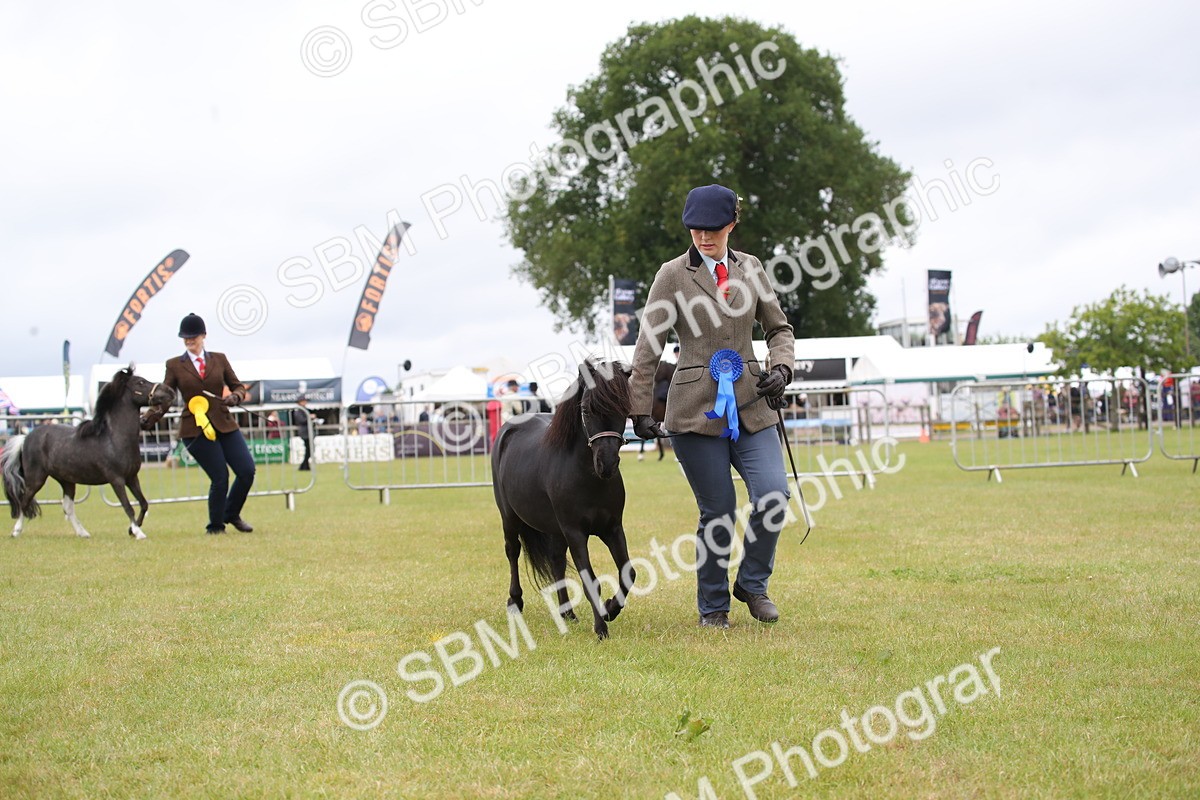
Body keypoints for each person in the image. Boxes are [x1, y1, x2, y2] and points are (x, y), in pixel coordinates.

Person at [629, 183, 794, 629]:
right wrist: (639, 407)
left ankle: (753, 585)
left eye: (713, 230)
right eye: (696, 230)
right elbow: (649, 344)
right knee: (718, 509)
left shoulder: (752, 268)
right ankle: (713, 608)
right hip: (692, 410)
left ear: (732, 225)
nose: (704, 238)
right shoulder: (672, 275)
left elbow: (779, 329)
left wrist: (782, 368)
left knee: (774, 494)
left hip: (753, 404)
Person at [162, 313, 256, 535]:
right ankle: (215, 526)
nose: (189, 340)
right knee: (220, 476)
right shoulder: (174, 365)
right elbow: (166, 395)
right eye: (185, 337)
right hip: (195, 429)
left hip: (224, 423)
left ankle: (231, 513)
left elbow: (238, 386)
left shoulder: (219, 359)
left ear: (203, 336)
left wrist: (236, 397)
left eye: (193, 336)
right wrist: (151, 415)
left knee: (247, 471)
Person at [293, 395, 313, 471]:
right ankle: (304, 466)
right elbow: (301, 420)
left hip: (308, 431)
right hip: (304, 432)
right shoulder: (298, 411)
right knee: (308, 449)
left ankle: (305, 465)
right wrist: (309, 417)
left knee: (310, 449)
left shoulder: (304, 410)